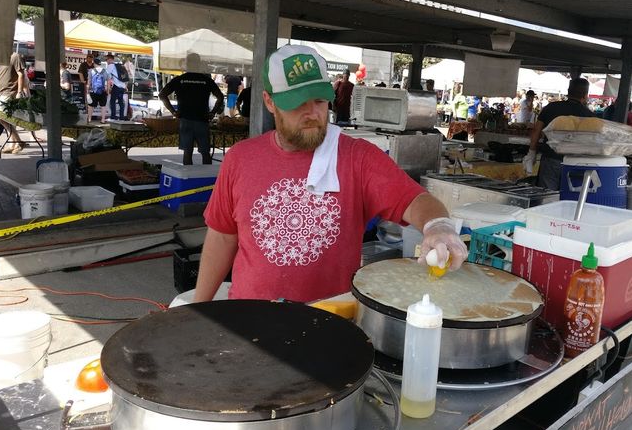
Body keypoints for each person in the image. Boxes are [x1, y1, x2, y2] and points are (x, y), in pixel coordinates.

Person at [194, 44, 468, 303]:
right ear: (269, 102)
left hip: (330, 322)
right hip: (247, 319)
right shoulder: (241, 158)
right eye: (297, 103)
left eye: (319, 100)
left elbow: (413, 200)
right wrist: (198, 306)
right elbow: (222, 236)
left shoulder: (356, 157)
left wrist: (437, 226)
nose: (312, 113)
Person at [524, 78, 595, 190]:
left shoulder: (551, 107)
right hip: (575, 162)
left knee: (547, 196)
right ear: (586, 95)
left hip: (551, 159)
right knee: (569, 198)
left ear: (568, 91)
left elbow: (536, 132)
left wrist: (531, 152)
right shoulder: (589, 115)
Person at [159, 53, 224, 165]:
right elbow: (220, 96)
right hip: (202, 120)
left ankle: (188, 177)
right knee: (205, 153)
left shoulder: (180, 79)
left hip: (185, 120)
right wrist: (212, 112)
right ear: (199, 64)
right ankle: (206, 179)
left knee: (187, 152)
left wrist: (173, 111)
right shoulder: (206, 80)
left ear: (187, 64)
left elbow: (162, 95)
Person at [0, 53, 30, 154]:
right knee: (4, 119)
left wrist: (19, 92)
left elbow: (21, 74)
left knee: (1, 118)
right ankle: (14, 143)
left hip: (9, 92)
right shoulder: (1, 58)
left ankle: (18, 142)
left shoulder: (15, 56)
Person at [105, 53, 128, 120]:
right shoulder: (120, 66)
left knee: (112, 101)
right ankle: (121, 117)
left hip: (117, 86)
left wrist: (108, 88)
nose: (106, 61)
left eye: (106, 60)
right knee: (121, 102)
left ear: (110, 59)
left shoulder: (110, 66)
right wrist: (125, 86)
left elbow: (107, 77)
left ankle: (113, 116)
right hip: (122, 86)